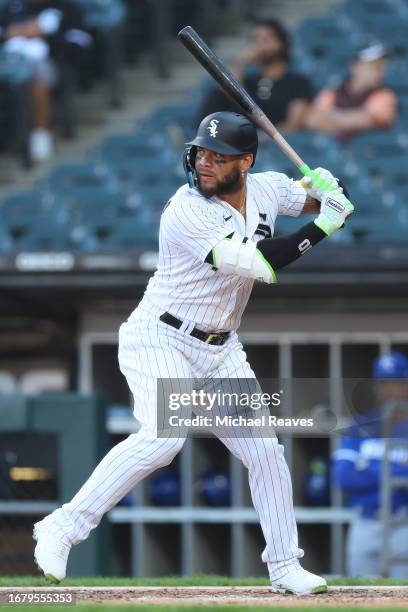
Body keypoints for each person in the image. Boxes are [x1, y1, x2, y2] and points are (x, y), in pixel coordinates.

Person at [33, 111, 353, 594]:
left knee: (266, 452)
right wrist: (325, 225)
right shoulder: (185, 211)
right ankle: (63, 525)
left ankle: (285, 565)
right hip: (160, 337)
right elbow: (262, 263)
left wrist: (328, 189)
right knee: (165, 437)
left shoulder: (264, 187)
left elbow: (312, 201)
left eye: (218, 157)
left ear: (244, 162)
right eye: (202, 152)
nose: (205, 163)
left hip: (221, 351)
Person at [333, 353, 408, 578]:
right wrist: (396, 472)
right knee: (360, 594)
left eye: (395, 383)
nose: (388, 390)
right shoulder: (361, 426)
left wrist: (368, 469)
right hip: (366, 520)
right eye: (383, 383)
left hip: (404, 522)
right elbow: (343, 477)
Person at [0, 0, 90, 162]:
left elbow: (79, 42)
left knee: (35, 78)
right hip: (7, 60)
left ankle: (40, 133)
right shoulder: (12, 7)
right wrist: (11, 32)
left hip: (47, 61)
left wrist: (46, 37)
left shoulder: (66, 8)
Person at [198, 19, 313, 134]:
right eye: (255, 40)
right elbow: (229, 94)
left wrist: (263, 138)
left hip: (275, 143)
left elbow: (293, 125)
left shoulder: (298, 82)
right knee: (216, 94)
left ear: (281, 44)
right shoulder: (249, 81)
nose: (260, 46)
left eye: (266, 39)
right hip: (244, 141)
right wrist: (240, 63)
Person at [306, 42, 397, 143]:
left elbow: (365, 120)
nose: (380, 70)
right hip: (335, 153)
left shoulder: (385, 95)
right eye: (373, 65)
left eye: (381, 65)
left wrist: (330, 117)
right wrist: (349, 119)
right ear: (354, 66)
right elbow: (312, 120)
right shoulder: (333, 92)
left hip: (370, 154)